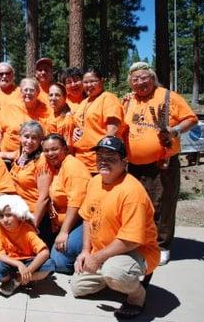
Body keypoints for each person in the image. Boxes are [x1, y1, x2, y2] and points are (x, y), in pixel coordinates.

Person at [70, 136, 159, 319]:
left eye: (111, 158)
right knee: (78, 287)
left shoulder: (132, 192)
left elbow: (131, 240)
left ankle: (137, 295)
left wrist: (97, 258)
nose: (103, 162)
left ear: (124, 162)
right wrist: (86, 251)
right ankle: (117, 276)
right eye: (100, 157)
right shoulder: (95, 181)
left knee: (116, 273)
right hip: (105, 250)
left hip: (137, 250)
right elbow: (87, 217)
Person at [122, 62, 198, 265]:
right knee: (140, 205)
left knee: (163, 204)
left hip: (162, 162)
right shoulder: (129, 101)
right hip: (134, 166)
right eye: (135, 79)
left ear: (152, 78)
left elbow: (191, 119)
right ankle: (142, 242)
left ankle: (162, 245)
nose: (140, 82)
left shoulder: (167, 96)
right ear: (131, 83)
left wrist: (174, 131)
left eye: (144, 77)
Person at [0, 194, 55, 297]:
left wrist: (28, 270)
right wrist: (18, 264)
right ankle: (26, 279)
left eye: (9, 215)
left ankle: (17, 280)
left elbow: (44, 252)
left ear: (18, 215)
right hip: (10, 263)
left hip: (28, 262)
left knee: (49, 265)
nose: (5, 219)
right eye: (1, 216)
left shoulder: (26, 229)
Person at [41, 133, 91, 273]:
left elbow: (75, 203)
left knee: (59, 262)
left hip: (82, 222)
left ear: (65, 149)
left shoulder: (73, 167)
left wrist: (64, 232)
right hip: (60, 223)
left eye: (54, 149)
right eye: (46, 150)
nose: (50, 153)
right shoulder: (56, 165)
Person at [72, 68, 123, 173]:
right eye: (85, 82)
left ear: (102, 81)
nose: (89, 85)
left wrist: (105, 157)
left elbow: (112, 130)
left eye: (92, 81)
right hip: (80, 161)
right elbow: (82, 124)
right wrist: (75, 130)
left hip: (98, 162)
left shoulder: (108, 98)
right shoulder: (84, 102)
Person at [0, 78, 50, 154]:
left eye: (32, 90)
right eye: (25, 90)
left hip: (33, 155)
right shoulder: (11, 106)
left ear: (38, 92)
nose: (28, 93)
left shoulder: (45, 109)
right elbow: (0, 127)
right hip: (6, 152)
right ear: (21, 92)